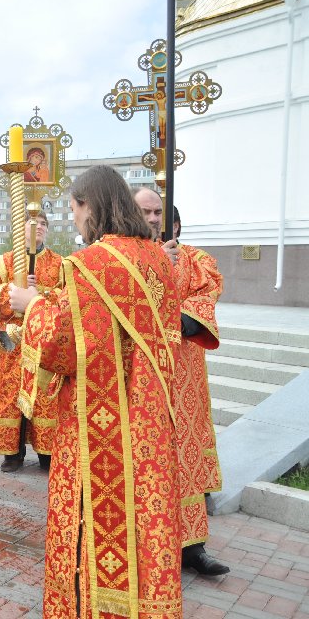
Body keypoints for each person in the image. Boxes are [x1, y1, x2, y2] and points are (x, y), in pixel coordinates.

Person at [9, 164, 183, 618]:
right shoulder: (158, 260)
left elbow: (66, 348)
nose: (73, 219)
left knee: (95, 525)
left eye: (74, 209)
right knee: (145, 524)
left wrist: (32, 307)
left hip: (101, 422)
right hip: (150, 417)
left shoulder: (90, 265)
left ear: (90, 205)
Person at [135, 188, 230, 577]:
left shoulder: (196, 260)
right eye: (146, 213)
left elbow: (205, 297)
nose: (154, 220)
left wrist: (178, 319)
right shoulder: (122, 257)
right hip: (140, 377)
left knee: (184, 459)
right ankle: (143, 546)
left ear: (174, 224)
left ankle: (192, 548)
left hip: (184, 378)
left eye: (161, 215)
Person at [0, 212, 62, 472]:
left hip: (43, 341)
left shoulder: (59, 263)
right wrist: (13, 289)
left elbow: (67, 296)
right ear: (20, 227)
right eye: (33, 223)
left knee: (44, 395)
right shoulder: (3, 262)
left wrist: (39, 295)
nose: (39, 228)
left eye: (44, 224)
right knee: (10, 395)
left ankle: (46, 451)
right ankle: (12, 452)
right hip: (11, 343)